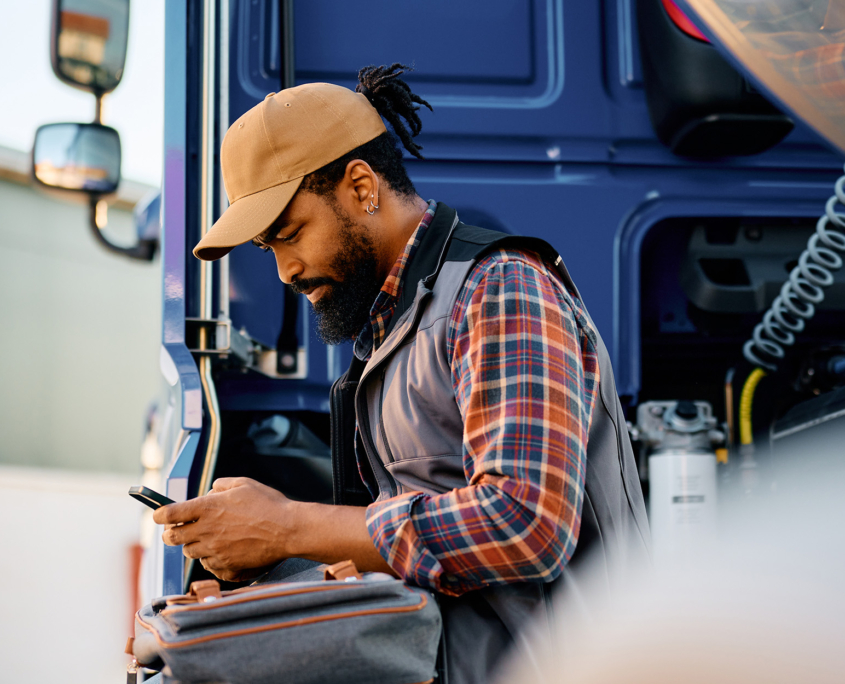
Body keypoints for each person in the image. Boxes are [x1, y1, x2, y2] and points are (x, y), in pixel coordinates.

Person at [153, 64, 650, 683]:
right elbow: (407, 551)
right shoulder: (393, 329)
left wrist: (287, 527)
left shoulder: (500, 290)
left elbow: (526, 525)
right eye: (268, 249)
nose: (284, 270)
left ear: (361, 185)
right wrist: (266, 562)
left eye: (289, 233)